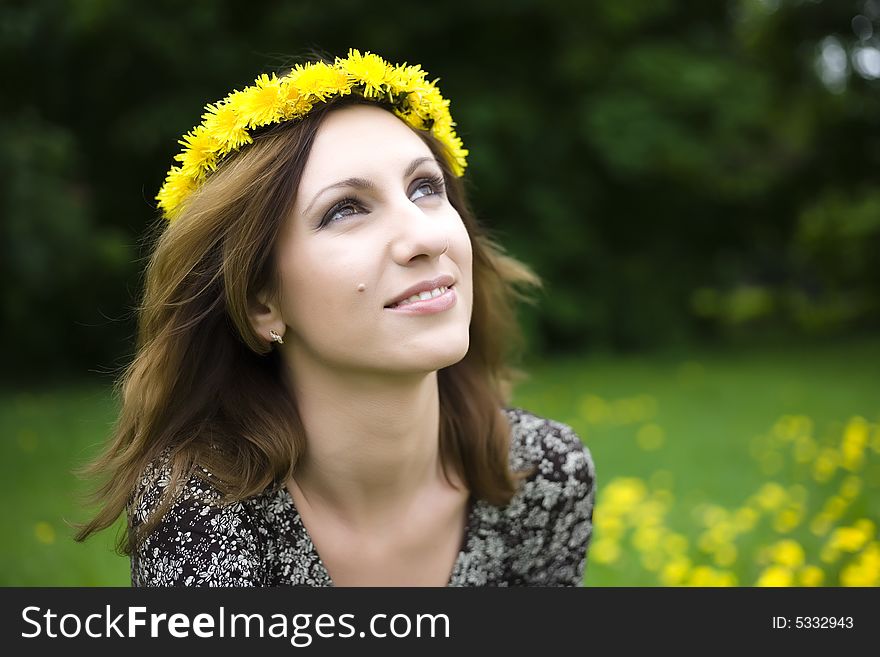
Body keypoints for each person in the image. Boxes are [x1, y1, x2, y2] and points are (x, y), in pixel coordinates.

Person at [75, 49, 596, 586]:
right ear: (260, 302)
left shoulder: (543, 473)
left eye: (426, 187)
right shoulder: (202, 512)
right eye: (346, 209)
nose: (427, 235)